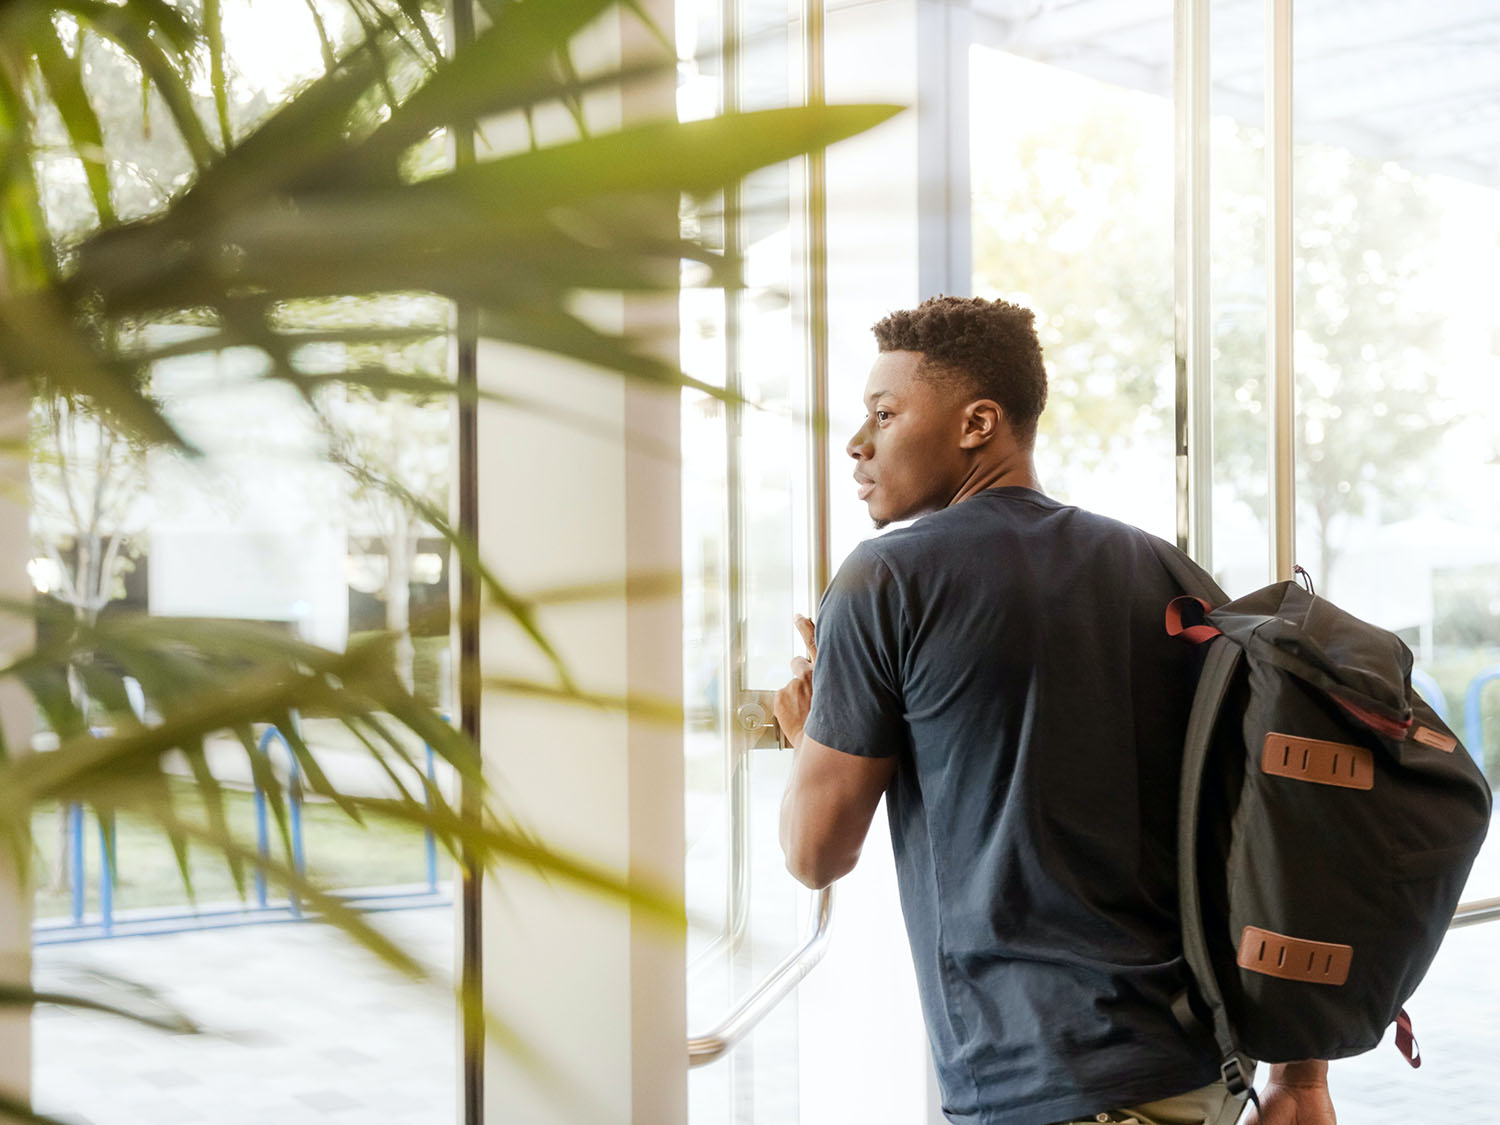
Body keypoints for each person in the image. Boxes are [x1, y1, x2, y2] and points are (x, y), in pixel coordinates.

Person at [772, 296, 1336, 1125]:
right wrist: (1303, 1077)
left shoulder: (885, 581)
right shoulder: (1166, 573)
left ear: (979, 423)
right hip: (1201, 1071)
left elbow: (814, 853)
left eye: (884, 414)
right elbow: (1276, 816)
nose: (858, 442)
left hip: (1047, 1083)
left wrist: (807, 738)